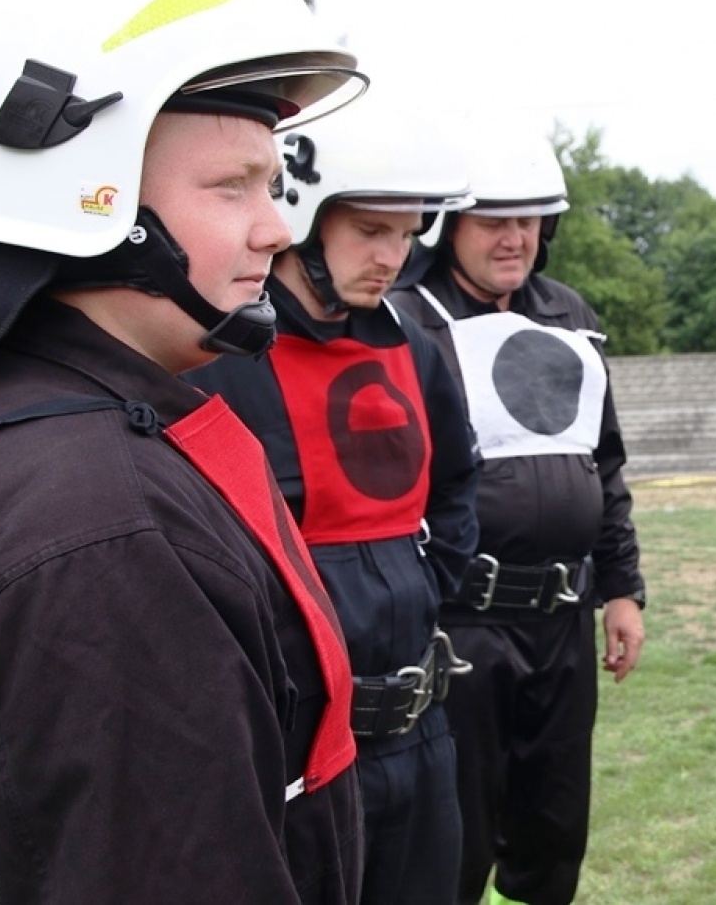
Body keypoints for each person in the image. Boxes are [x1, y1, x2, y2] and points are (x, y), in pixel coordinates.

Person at [0, 0, 371, 904]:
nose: (274, 227)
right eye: (232, 185)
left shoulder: (17, 430)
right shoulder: (100, 533)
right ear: (82, 188)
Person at [185, 99, 481, 903]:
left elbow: (457, 483)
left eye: (408, 232)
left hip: (422, 734)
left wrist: (426, 583)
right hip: (296, 755)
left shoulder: (417, 349)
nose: (394, 255)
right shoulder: (211, 363)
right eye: (371, 231)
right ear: (304, 220)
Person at [389, 135, 648, 905]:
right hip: (462, 624)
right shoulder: (406, 320)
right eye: (494, 221)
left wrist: (624, 589)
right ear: (446, 226)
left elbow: (603, 463)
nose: (515, 237)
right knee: (458, 835)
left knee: (554, 829)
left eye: (530, 220)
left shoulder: (571, 315)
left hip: (562, 620)